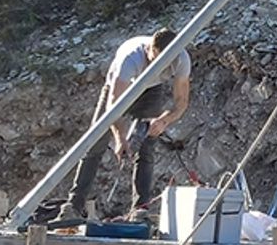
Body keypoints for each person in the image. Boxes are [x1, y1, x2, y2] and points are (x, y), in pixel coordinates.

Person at [54, 28, 191, 224]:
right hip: (120, 89)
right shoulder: (130, 59)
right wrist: (120, 137)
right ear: (149, 50)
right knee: (95, 141)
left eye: (166, 63)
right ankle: (74, 204)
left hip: (151, 90)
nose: (161, 67)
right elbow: (113, 106)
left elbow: (181, 102)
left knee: (147, 145)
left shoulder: (181, 59)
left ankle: (140, 209)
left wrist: (164, 120)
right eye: (156, 60)